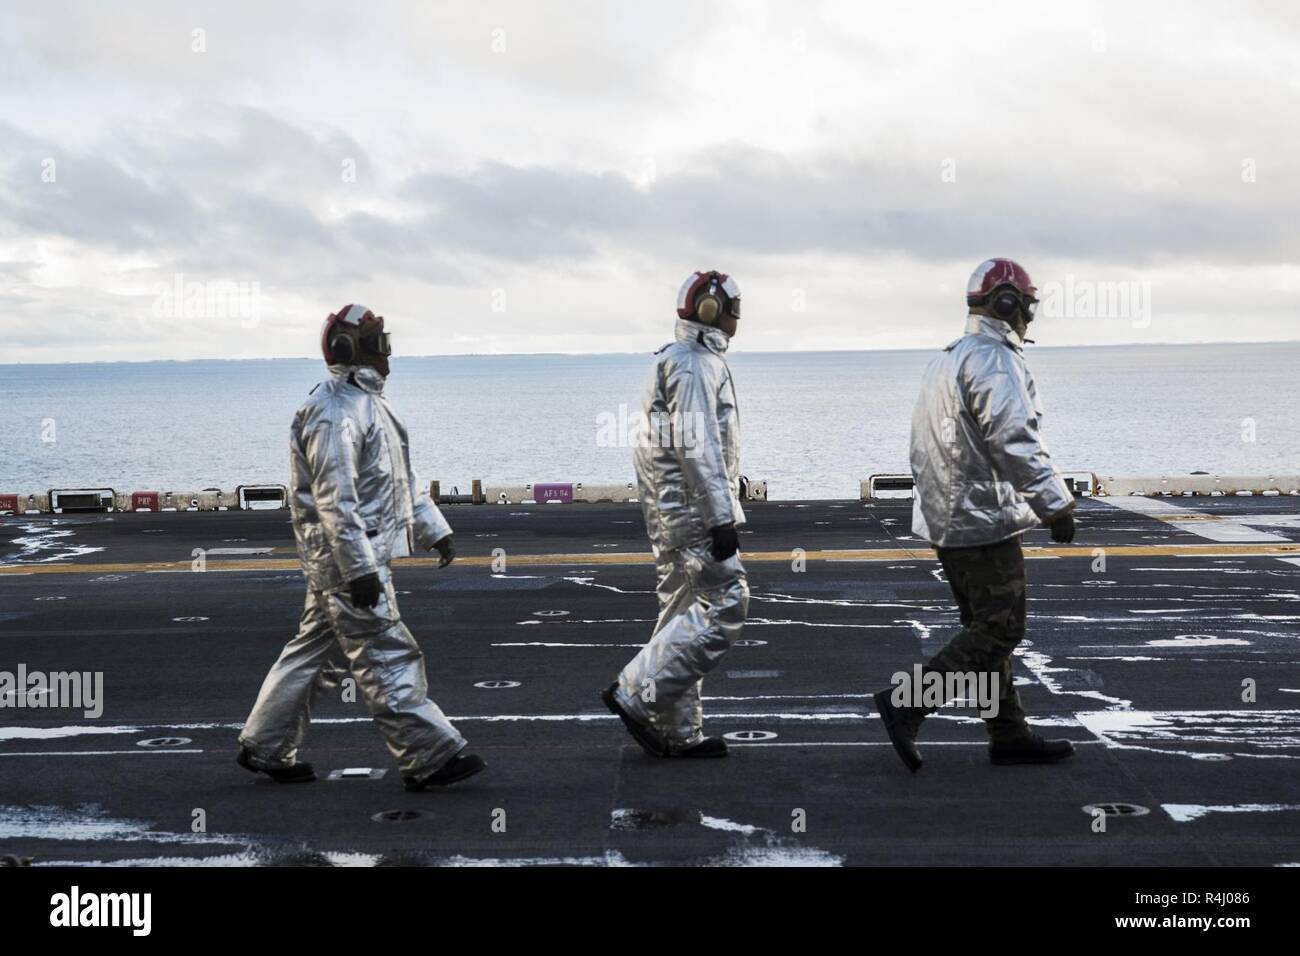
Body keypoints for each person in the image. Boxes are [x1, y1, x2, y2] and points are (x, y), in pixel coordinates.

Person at [237, 304, 484, 789]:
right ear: (351, 350)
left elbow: (399, 480)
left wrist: (434, 527)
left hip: (351, 559)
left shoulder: (368, 404)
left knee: (311, 654)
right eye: (377, 341)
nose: (387, 351)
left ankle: (265, 744)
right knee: (387, 653)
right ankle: (428, 756)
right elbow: (336, 500)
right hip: (349, 563)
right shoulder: (333, 413)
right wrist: (358, 569)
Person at [874, 259, 1077, 772]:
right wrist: (1054, 504)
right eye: (1026, 306)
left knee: (983, 628)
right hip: (981, 519)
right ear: (1007, 303)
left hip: (949, 516)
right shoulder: (993, 359)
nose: (1029, 317)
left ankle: (1008, 733)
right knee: (1000, 629)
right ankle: (907, 703)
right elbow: (1015, 439)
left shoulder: (949, 357)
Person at [602, 271, 750, 758]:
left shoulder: (681, 360)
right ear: (711, 310)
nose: (736, 316)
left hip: (673, 512)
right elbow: (699, 445)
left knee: (680, 618)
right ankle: (635, 694)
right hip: (692, 515)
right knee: (728, 602)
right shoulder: (693, 365)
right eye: (733, 306)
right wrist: (720, 517)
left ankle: (677, 732)